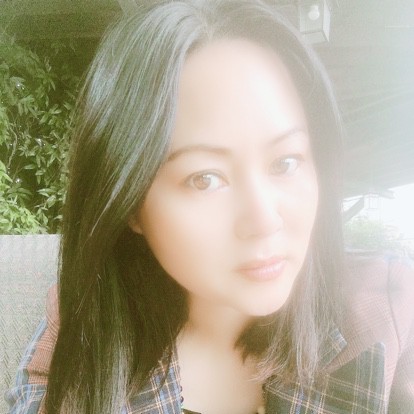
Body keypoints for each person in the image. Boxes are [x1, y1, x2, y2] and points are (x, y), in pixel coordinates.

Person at [6, 1, 414, 413]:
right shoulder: (83, 328)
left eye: (286, 162)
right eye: (205, 179)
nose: (264, 220)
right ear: (129, 203)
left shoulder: (389, 309)